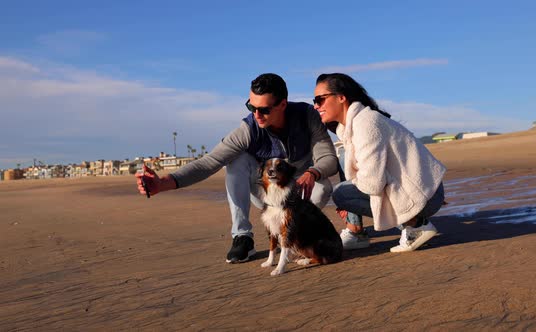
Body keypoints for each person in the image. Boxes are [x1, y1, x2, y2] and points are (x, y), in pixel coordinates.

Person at [136, 73, 338, 263]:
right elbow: (209, 162)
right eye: (252, 107)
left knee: (323, 189)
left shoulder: (306, 116)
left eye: (264, 110)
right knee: (236, 160)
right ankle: (242, 237)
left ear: (283, 104)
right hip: (267, 197)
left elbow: (328, 157)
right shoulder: (248, 129)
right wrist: (163, 183)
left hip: (299, 195)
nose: (257, 115)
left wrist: (313, 172)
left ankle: (291, 233)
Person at [313, 73, 446, 252]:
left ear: (341, 97)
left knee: (343, 193)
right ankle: (413, 226)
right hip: (423, 190)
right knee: (347, 180)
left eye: (320, 99)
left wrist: (356, 180)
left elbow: (372, 184)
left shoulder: (366, 123)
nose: (316, 105)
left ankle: (416, 226)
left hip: (425, 195)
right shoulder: (351, 126)